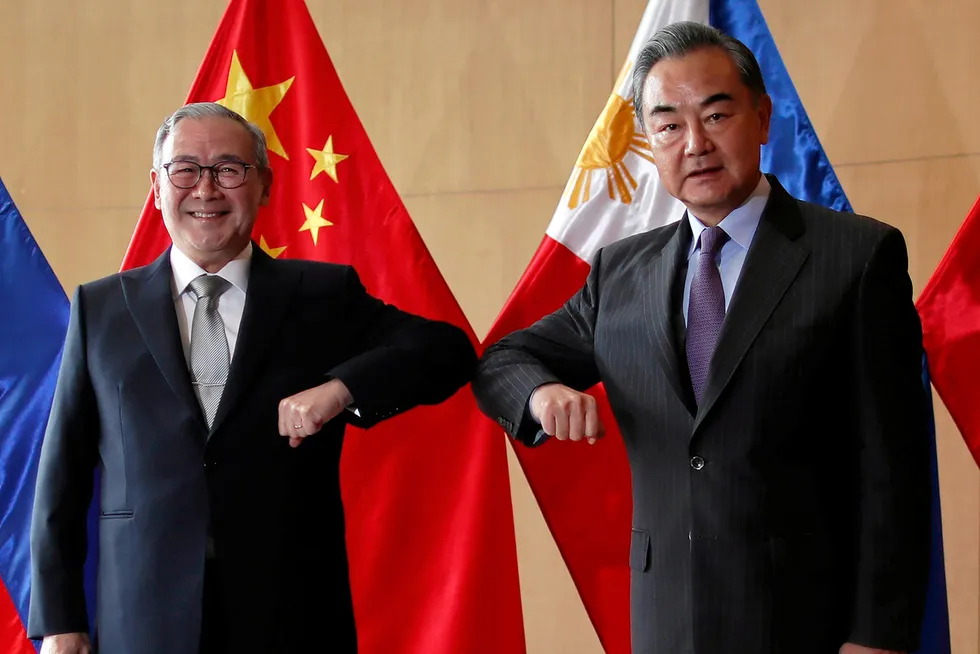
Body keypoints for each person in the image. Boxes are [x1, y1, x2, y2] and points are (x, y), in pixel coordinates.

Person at [472, 21, 930, 654]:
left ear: (762, 118)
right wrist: (542, 393)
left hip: (806, 622)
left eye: (716, 116)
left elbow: (895, 472)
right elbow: (503, 360)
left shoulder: (855, 257)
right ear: (650, 143)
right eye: (668, 126)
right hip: (665, 621)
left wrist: (879, 637)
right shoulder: (620, 273)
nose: (694, 144)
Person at [29, 102, 477, 654]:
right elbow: (60, 479)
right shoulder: (101, 309)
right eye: (185, 169)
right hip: (142, 612)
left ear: (263, 185)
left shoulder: (319, 295)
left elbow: (449, 351)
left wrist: (340, 389)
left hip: (290, 610)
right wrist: (59, 622)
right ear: (156, 186)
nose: (205, 189)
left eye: (228, 169)